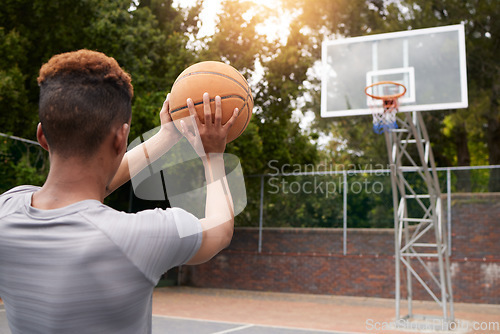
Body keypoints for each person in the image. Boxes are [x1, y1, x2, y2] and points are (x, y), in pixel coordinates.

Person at [0, 49, 238, 333]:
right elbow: (219, 231)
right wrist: (212, 155)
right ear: (121, 138)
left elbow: (87, 188)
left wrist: (167, 136)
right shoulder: (140, 236)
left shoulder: (7, 210)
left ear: (42, 135)